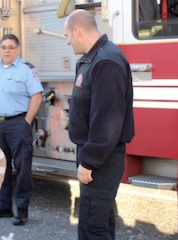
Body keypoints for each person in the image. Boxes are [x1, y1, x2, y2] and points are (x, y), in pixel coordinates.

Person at [63, 9, 135, 240]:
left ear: (77, 30)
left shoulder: (106, 61)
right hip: (94, 154)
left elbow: (107, 119)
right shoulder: (92, 59)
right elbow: (92, 106)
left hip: (101, 158)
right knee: (98, 222)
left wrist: (89, 160)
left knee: (93, 227)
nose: (67, 41)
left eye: (67, 35)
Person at [0, 34, 43, 226]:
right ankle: (3, 207)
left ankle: (21, 210)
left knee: (22, 168)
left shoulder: (26, 70)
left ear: (18, 49)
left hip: (18, 124)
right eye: (4, 46)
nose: (6, 50)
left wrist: (26, 122)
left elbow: (36, 97)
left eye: (11, 47)